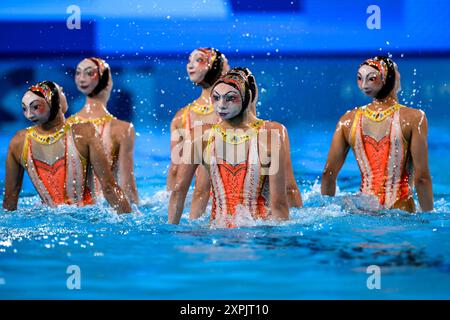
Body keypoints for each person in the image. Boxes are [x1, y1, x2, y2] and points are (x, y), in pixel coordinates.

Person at [168, 68, 290, 227]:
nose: (221, 105)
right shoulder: (272, 134)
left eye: (230, 98)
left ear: (246, 98)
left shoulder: (199, 135)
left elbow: (179, 192)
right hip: (257, 236)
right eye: (216, 98)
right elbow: (279, 203)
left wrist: (171, 233)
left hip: (215, 235)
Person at [321, 56, 433, 212]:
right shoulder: (414, 118)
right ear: (390, 78)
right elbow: (422, 179)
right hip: (400, 209)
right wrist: (428, 216)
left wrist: (327, 208)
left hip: (363, 210)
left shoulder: (347, 120)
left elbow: (328, 174)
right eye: (396, 70)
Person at [3, 80, 131, 214]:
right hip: (88, 220)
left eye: (34, 107)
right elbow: (109, 188)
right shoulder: (84, 133)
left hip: (47, 220)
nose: (29, 114)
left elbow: (10, 200)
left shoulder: (18, 141)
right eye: (24, 108)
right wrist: (130, 223)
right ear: (56, 102)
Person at [68, 57, 138, 204]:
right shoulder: (122, 129)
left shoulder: (65, 127)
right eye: (79, 73)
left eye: (87, 73)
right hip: (105, 209)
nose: (82, 78)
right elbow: (127, 188)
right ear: (109, 83)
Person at [168, 48, 228, 218]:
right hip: (223, 203)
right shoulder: (233, 112)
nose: (190, 66)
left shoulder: (181, 116)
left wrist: (170, 203)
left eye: (198, 60)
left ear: (217, 67)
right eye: (189, 61)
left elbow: (175, 171)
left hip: (190, 205)